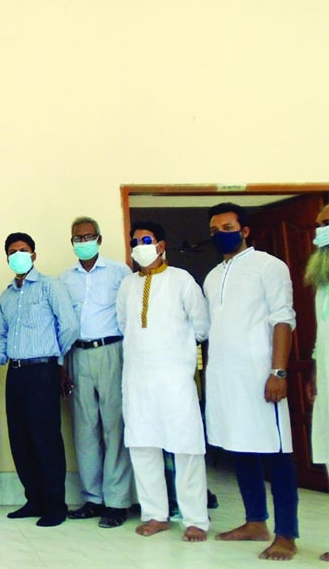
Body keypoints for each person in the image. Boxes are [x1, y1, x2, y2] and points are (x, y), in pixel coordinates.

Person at [203, 202, 298, 561]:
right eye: (214, 230)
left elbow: (282, 319)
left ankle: (287, 533)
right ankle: (255, 521)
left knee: (277, 454)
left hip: (262, 375)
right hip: (226, 379)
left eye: (226, 226)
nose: (220, 234)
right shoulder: (212, 276)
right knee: (238, 447)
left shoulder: (268, 266)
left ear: (244, 231)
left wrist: (278, 371)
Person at [116, 221, 210, 542]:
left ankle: (195, 518)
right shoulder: (127, 285)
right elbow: (123, 324)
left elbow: (201, 325)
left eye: (146, 239)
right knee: (143, 445)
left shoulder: (181, 280)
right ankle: (155, 514)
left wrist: (177, 356)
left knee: (186, 447)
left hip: (175, 380)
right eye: (135, 241)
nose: (139, 245)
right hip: (137, 379)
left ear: (160, 245)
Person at [0, 232, 79, 527]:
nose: (18, 255)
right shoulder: (6, 296)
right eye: (12, 251)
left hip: (42, 373)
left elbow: (70, 327)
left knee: (45, 439)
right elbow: (3, 339)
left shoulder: (50, 286)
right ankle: (34, 499)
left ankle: (55, 506)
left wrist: (54, 360)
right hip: (16, 373)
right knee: (20, 439)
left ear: (34, 255)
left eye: (24, 250)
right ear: (7, 257)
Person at [59, 216, 133, 528]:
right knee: (84, 429)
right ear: (72, 242)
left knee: (114, 427)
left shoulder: (120, 272)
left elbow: (130, 317)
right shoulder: (65, 279)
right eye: (78, 237)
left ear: (99, 239)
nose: (83, 241)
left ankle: (117, 501)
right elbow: (61, 323)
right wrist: (62, 365)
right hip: (78, 354)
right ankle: (93, 499)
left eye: (89, 236)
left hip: (112, 352)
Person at [306, 204, 329, 562]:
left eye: (327, 223)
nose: (320, 230)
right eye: (319, 224)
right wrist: (313, 373)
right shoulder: (321, 282)